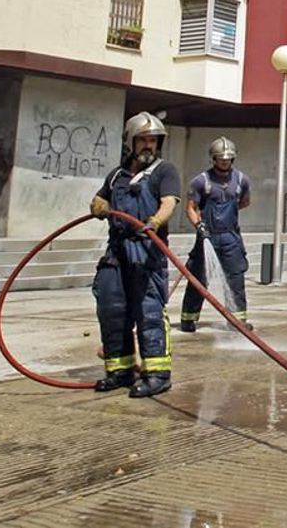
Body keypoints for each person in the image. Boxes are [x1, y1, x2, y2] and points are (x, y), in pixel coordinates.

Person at [88, 111, 182, 398]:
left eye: (153, 141)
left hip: (146, 250)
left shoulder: (164, 171)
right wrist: (97, 206)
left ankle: (157, 374)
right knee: (111, 308)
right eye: (143, 140)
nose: (148, 146)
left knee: (149, 311)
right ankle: (119, 370)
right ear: (130, 141)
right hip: (117, 251)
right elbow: (100, 198)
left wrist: (155, 221)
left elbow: (169, 203)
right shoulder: (117, 174)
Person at [178, 136, 253, 332]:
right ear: (213, 158)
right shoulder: (201, 181)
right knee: (198, 278)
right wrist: (199, 226)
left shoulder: (241, 180)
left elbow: (245, 202)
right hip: (207, 237)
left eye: (228, 158)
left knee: (235, 278)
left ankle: (237, 321)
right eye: (221, 158)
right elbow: (190, 208)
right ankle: (188, 318)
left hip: (230, 237)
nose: (225, 161)